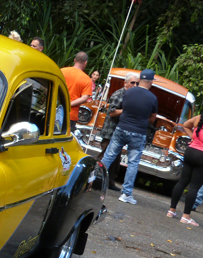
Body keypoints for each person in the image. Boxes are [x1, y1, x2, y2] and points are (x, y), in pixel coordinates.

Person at [99, 68, 158, 204]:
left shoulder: (128, 92)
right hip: (138, 132)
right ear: (150, 82)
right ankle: (126, 194)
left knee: (108, 156)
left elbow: (124, 107)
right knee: (133, 163)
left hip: (121, 128)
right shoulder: (153, 98)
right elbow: (152, 118)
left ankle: (94, 181)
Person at [167, 99, 203, 226]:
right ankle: (186, 216)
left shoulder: (199, 118)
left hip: (190, 151)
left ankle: (171, 210)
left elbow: (186, 125)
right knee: (194, 187)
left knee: (182, 182)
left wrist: (194, 137)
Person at [97, 72, 139, 191]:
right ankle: (93, 176)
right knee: (105, 155)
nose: (135, 85)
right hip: (110, 131)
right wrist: (127, 109)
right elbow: (112, 113)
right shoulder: (119, 94)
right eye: (132, 82)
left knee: (116, 159)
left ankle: (109, 182)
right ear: (125, 83)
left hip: (120, 132)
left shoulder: (131, 96)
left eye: (137, 83)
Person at [60, 52, 92, 132]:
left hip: (55, 108)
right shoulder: (87, 79)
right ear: (85, 63)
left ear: (74, 60)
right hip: (70, 114)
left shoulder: (62, 71)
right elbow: (84, 98)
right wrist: (68, 104)